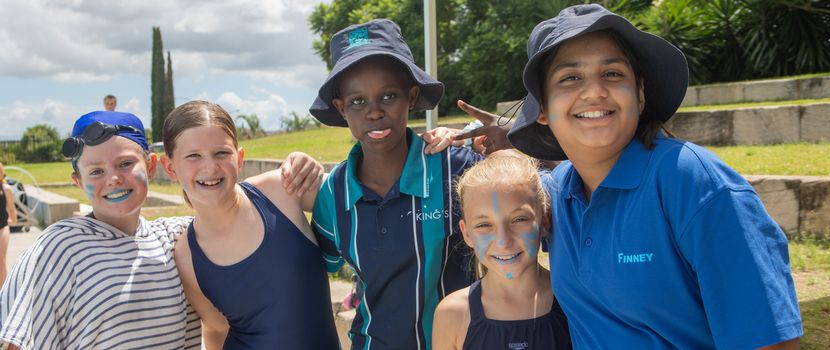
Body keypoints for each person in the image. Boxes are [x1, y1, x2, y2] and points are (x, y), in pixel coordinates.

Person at [446, 4, 801, 349]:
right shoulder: (560, 194)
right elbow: (516, 196)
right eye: (570, 78)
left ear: (640, 93)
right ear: (542, 110)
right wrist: (506, 136)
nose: (595, 91)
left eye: (612, 74)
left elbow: (770, 341)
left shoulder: (695, 185)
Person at [306, 18, 483, 350]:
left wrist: (508, 132)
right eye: (357, 101)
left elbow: (528, 191)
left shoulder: (455, 170)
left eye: (389, 95)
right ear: (341, 109)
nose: (374, 112)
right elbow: (311, 273)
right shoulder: (333, 193)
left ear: (411, 97)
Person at [0, 111, 200, 349]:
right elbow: (15, 343)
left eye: (125, 164)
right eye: (96, 171)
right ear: (78, 181)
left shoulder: (174, 238)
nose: (113, 178)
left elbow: (240, 204)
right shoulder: (57, 249)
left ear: (151, 166)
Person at [160, 100, 339, 349]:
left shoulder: (282, 189)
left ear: (239, 157)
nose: (210, 167)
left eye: (221, 153)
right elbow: (216, 329)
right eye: (193, 156)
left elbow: (352, 194)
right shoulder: (186, 257)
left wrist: (314, 171)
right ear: (170, 167)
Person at [431, 152, 571, 350]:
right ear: (466, 233)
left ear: (544, 221)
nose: (504, 241)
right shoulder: (453, 314)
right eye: (484, 225)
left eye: (519, 219)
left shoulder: (572, 300)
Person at [0, 162, 16, 285]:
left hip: (2, 228)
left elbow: (11, 208)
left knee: (1, 259)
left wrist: (13, 220)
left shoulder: (6, 189)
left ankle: (2, 291)